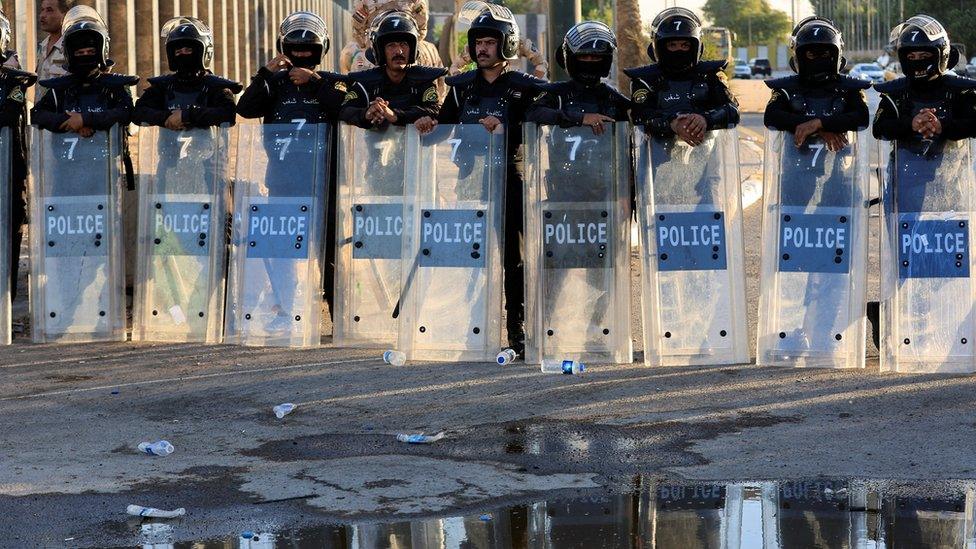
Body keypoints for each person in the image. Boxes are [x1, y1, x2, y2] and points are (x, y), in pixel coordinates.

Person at [415, 2, 544, 356]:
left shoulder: (524, 86)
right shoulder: (460, 86)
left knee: (513, 260)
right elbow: (442, 127)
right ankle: (473, 324)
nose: (482, 49)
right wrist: (428, 126)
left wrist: (508, 128)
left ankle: (517, 329)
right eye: (478, 42)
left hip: (512, 182)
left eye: (490, 42)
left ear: (505, 44)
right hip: (470, 182)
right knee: (474, 257)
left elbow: (541, 126)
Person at [870, 15, 976, 349]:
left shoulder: (961, 89)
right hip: (905, 190)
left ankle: (949, 324)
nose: (917, 62)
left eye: (924, 56)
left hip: (953, 189)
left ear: (940, 54)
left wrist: (942, 124)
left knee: (952, 261)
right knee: (909, 259)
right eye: (911, 57)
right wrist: (911, 123)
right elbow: (879, 128)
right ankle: (903, 322)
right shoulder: (895, 92)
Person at [237, 10, 347, 326]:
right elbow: (245, 108)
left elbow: (347, 109)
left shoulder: (332, 83)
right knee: (283, 250)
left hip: (323, 181)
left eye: (308, 49)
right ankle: (286, 310)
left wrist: (315, 82)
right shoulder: (275, 85)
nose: (301, 55)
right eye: (295, 48)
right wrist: (265, 74)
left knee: (327, 253)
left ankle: (338, 317)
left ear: (320, 49)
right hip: (282, 180)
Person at [625, 7, 738, 146]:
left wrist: (705, 119)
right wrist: (672, 123)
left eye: (685, 45)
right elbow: (640, 116)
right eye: (672, 45)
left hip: (706, 155)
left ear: (696, 47)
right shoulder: (645, 79)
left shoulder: (710, 75)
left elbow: (732, 110)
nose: (679, 50)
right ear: (659, 47)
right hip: (655, 156)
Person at [339, 11, 445, 130]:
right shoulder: (367, 80)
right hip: (375, 146)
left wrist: (395, 115)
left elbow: (436, 110)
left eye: (403, 44)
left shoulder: (423, 79)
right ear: (380, 51)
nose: (399, 51)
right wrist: (367, 113)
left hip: (415, 146)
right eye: (391, 45)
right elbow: (345, 110)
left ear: (413, 49)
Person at [132, 17, 240, 130]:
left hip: (208, 146)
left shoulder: (215, 86)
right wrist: (168, 117)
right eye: (178, 52)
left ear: (202, 52)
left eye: (188, 50)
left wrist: (186, 116)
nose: (183, 54)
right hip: (169, 147)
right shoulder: (164, 85)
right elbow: (138, 113)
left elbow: (228, 114)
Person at [525, 21, 629, 132]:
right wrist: (582, 118)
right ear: (571, 60)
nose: (589, 62)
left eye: (595, 57)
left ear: (606, 61)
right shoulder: (556, 93)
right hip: (563, 150)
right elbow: (533, 113)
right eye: (583, 57)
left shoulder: (614, 98)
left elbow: (627, 138)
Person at [0, 13, 36, 303]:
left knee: (9, 237)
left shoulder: (14, 80)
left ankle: (5, 304)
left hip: (9, 171)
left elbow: (9, 113)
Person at [35, 0, 74, 98]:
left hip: (62, 111)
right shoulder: (42, 46)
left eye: (49, 10)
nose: (42, 15)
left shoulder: (72, 48)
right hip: (40, 111)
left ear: (65, 15)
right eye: (42, 10)